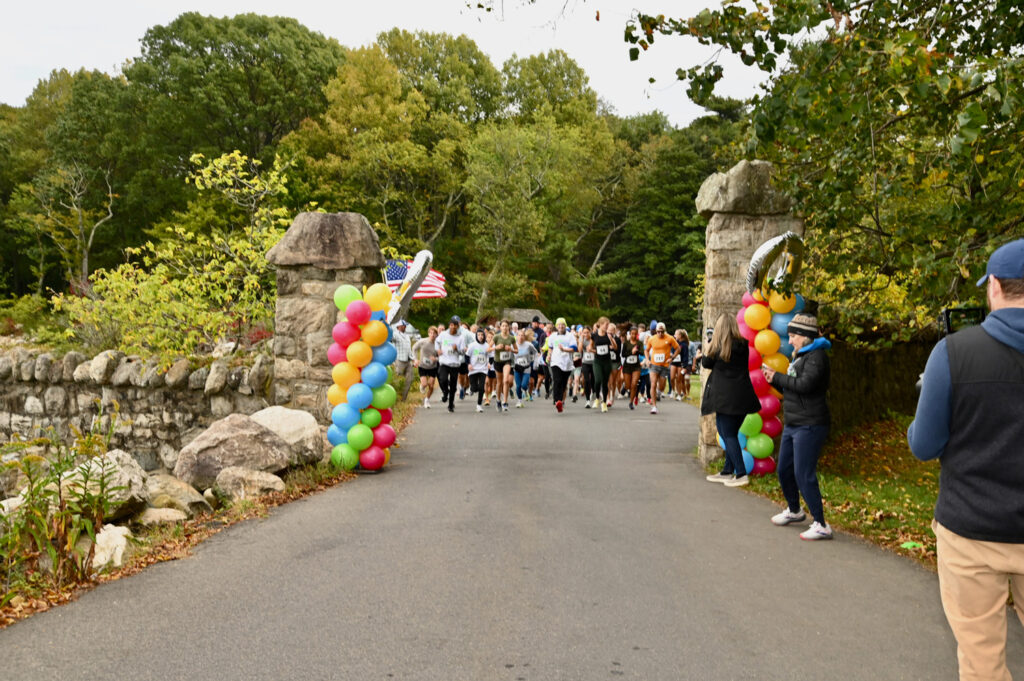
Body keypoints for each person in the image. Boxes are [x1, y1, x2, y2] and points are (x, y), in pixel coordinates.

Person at [907, 238, 1024, 681]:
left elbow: (924, 445)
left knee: (981, 662)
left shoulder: (953, 354)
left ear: (994, 286)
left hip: (971, 529)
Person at [762, 312, 833, 539]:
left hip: (810, 424)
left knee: (803, 473)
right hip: (794, 423)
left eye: (793, 336)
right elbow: (793, 388)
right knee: (784, 470)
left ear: (805, 336)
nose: (790, 340)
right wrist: (773, 379)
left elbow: (805, 385)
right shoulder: (801, 356)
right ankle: (794, 510)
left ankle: (821, 524)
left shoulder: (817, 357)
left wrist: (778, 377)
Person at [701, 312, 761, 487]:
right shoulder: (743, 345)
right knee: (729, 434)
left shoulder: (717, 348)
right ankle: (728, 470)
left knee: (727, 434)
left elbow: (706, 363)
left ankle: (741, 473)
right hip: (743, 397)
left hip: (725, 398)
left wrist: (707, 346)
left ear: (719, 329)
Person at [645, 322, 680, 415]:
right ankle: (654, 406)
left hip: (664, 366)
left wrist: (672, 358)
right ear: (656, 331)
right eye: (658, 332)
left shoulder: (670, 338)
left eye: (662, 332)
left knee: (661, 386)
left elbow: (678, 348)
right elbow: (646, 350)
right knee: (653, 384)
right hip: (654, 365)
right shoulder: (652, 339)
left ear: (665, 331)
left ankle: (659, 392)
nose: (660, 333)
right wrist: (647, 360)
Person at [435, 316, 468, 413]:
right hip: (444, 362)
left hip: (454, 364)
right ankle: (445, 392)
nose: (453, 327)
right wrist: (438, 350)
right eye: (451, 325)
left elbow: (462, 352)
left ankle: (450, 405)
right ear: (449, 325)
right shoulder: (443, 334)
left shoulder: (461, 337)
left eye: (455, 326)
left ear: (458, 327)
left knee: (453, 385)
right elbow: (437, 342)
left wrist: (457, 349)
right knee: (443, 379)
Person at [546, 317, 577, 412]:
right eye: (559, 324)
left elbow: (574, 349)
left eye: (562, 324)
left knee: (563, 384)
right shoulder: (553, 336)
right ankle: (558, 401)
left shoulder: (570, 336)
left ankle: (560, 400)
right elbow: (550, 348)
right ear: (556, 326)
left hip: (567, 363)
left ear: (565, 325)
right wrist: (549, 355)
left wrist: (564, 349)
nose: (561, 326)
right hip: (555, 361)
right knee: (557, 380)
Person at [491, 320, 517, 412]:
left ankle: (505, 402)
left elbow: (516, 350)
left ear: (508, 327)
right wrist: (496, 347)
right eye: (503, 326)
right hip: (498, 361)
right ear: (500, 327)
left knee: (506, 381)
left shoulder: (511, 338)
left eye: (506, 326)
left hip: (507, 361)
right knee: (499, 383)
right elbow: (488, 348)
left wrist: (511, 349)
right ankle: (498, 400)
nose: (505, 327)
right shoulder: (496, 337)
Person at [412, 326, 439, 408]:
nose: (432, 335)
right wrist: (415, 359)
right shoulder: (423, 341)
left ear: (436, 335)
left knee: (431, 385)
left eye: (434, 333)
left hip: (433, 367)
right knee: (424, 384)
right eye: (431, 333)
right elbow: (414, 348)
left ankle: (427, 400)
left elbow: (442, 356)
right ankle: (422, 386)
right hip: (422, 366)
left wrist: (436, 359)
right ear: (428, 333)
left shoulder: (438, 344)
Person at [590, 318, 614, 412]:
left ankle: (604, 402)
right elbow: (591, 347)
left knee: (605, 382)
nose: (607, 327)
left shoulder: (609, 335)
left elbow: (615, 347)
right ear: (600, 324)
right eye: (606, 325)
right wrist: (591, 350)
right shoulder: (594, 335)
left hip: (607, 361)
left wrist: (612, 340)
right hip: (597, 361)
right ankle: (597, 398)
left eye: (608, 325)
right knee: (598, 380)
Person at [467, 328, 491, 412]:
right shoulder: (472, 345)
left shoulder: (487, 346)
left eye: (482, 335)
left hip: (483, 369)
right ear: (476, 336)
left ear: (484, 336)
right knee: (474, 388)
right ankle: (471, 389)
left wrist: (489, 363)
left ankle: (479, 405)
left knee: (481, 387)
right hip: (473, 369)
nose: (480, 336)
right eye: (478, 335)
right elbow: (467, 356)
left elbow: (490, 356)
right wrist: (469, 364)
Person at [513, 329, 538, 407]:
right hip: (517, 367)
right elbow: (510, 354)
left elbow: (536, 353)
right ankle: (519, 401)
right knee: (518, 386)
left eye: (522, 335)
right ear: (516, 337)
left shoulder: (528, 345)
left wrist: (535, 363)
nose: (520, 337)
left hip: (526, 367)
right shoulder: (513, 345)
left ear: (524, 337)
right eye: (519, 335)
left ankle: (526, 390)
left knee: (524, 385)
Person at [620, 326, 643, 410]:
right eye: (632, 334)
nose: (633, 335)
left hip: (636, 366)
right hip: (627, 366)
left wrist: (636, 351)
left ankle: (631, 402)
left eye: (635, 334)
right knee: (628, 385)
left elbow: (642, 353)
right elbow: (623, 354)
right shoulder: (626, 343)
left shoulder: (639, 343)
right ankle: (625, 387)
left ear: (637, 334)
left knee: (634, 383)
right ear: (629, 334)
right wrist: (631, 352)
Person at [392, 319, 414, 401]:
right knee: (398, 379)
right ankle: (396, 397)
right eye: (404, 325)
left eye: (405, 326)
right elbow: (391, 338)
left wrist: (413, 359)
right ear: (399, 326)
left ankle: (403, 398)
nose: (405, 327)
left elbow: (409, 349)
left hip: (408, 361)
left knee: (409, 379)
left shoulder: (407, 336)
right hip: (399, 360)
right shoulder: (395, 334)